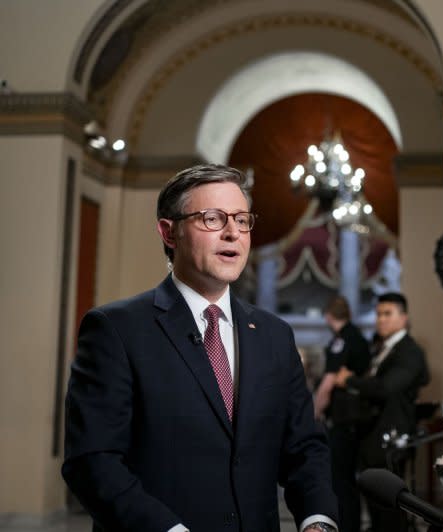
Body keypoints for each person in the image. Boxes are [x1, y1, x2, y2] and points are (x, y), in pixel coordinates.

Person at [62, 164, 338, 532]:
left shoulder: (274, 335)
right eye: (212, 219)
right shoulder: (116, 330)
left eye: (242, 220)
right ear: (169, 232)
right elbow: (93, 462)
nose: (232, 233)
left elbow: (305, 448)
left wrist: (317, 520)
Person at [334, 292, 429, 532]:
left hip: (390, 437)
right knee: (376, 506)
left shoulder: (409, 350)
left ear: (403, 317)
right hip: (371, 434)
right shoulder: (382, 347)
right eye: (378, 314)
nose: (381, 320)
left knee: (389, 509)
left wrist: (350, 381)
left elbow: (386, 388)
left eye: (387, 314)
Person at [314, 295, 371, 532]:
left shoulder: (342, 340)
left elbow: (328, 382)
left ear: (329, 316)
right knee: (348, 480)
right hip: (356, 419)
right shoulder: (358, 337)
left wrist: (314, 412)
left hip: (344, 419)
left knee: (341, 481)